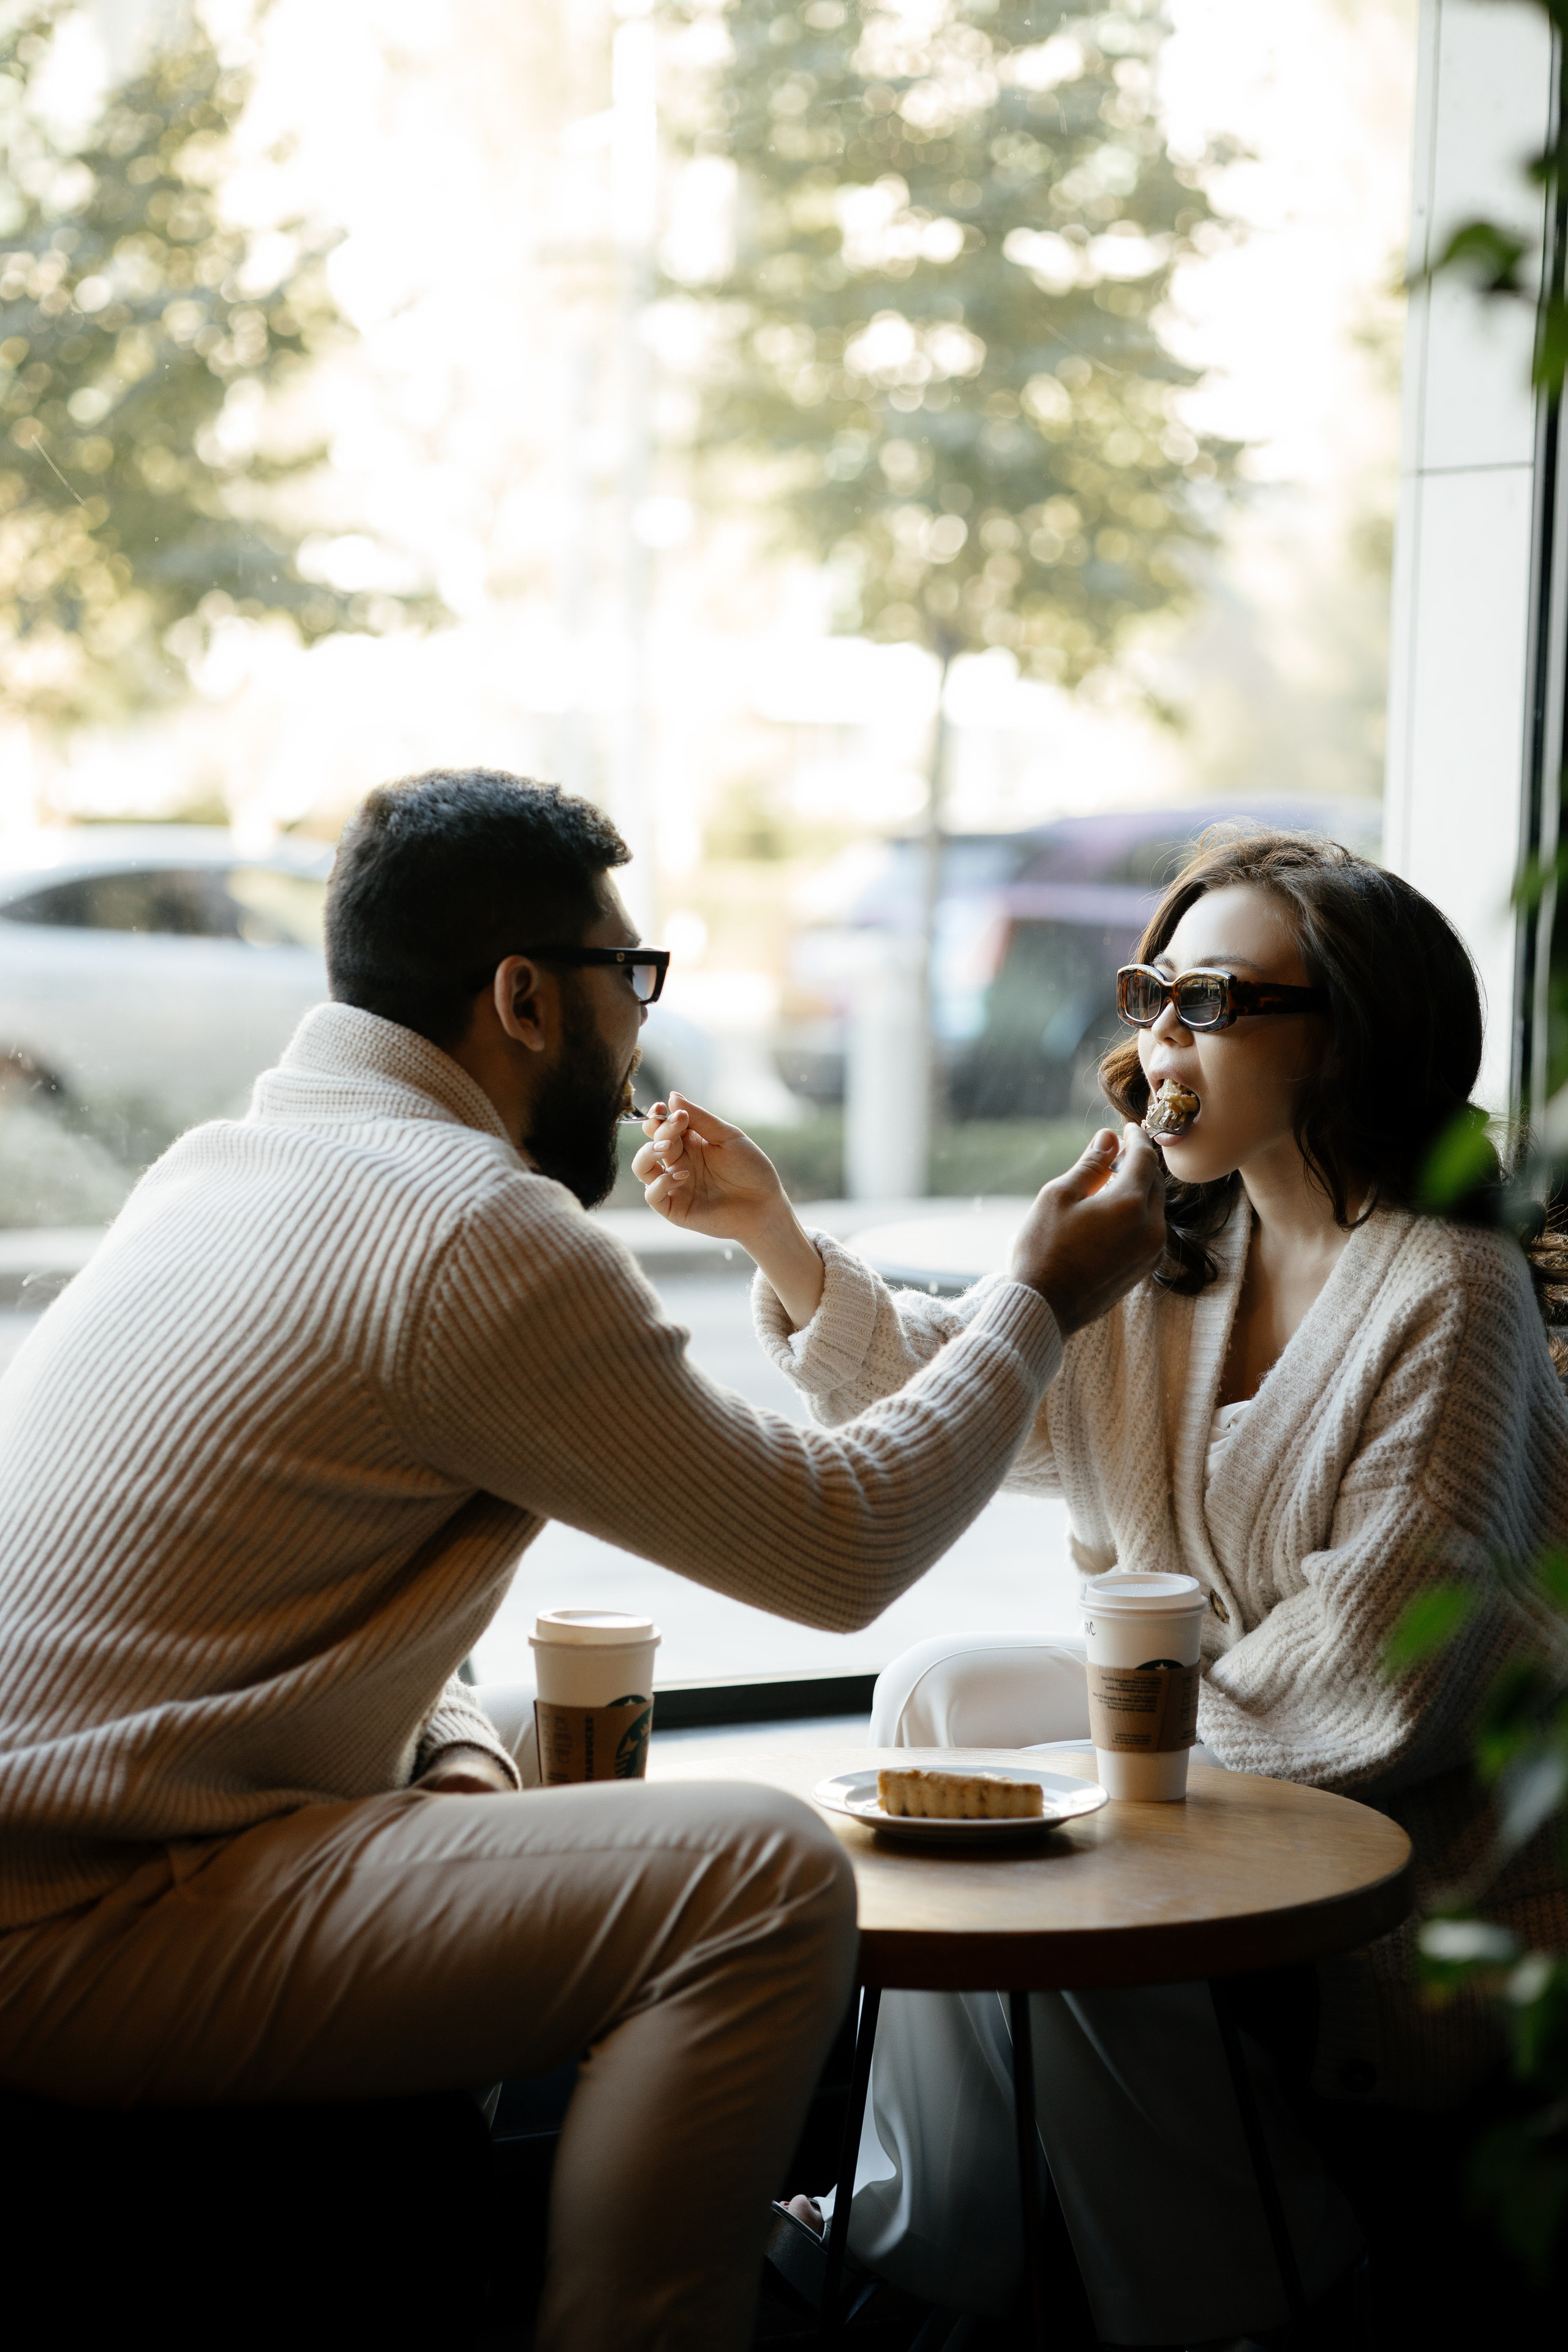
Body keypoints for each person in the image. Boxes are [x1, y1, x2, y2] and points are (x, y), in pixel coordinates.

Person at [0, 768, 1167, 2352]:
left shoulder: (217, 1172)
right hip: (86, 1925)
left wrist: (465, 1770)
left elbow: (338, 1636)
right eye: (634, 981)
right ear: (527, 1000)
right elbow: (845, 1548)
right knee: (761, 1878)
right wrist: (1039, 1295)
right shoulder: (468, 1227)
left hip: (92, 1867)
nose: (643, 1040)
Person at [633, 827, 1568, 2346]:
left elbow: (1387, 1683)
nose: (1153, 1044)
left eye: (1205, 1005)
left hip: (1408, 1852)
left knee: (1052, 1859)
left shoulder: (1443, 1291)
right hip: (1213, 1745)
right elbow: (984, 1397)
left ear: (1347, 1032)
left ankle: (1236, 2294)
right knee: (938, 1707)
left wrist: (1091, 1789)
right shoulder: (1173, 1253)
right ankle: (924, 2245)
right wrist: (773, 1232)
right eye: (1148, 997)